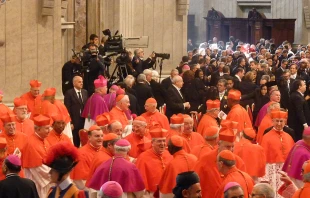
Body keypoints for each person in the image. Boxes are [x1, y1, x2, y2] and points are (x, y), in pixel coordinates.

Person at [194, 127, 246, 198]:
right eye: (227, 146)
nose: (230, 150)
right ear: (218, 144)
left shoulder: (239, 161)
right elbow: (196, 184)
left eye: (232, 146)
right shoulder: (205, 160)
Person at [261, 110, 295, 195]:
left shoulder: (289, 137)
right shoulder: (266, 137)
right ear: (272, 121)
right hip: (272, 170)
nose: (279, 124)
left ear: (285, 122)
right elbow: (263, 159)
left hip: (285, 170)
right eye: (277, 121)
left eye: (281, 121)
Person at [135, 125, 173, 196]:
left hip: (168, 192)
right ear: (152, 143)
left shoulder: (169, 154)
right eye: (159, 141)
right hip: (151, 193)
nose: (162, 144)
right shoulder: (143, 157)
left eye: (164, 141)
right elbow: (140, 179)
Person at [22, 114, 53, 198]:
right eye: (47, 128)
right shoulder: (31, 144)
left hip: (46, 182)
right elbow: (38, 168)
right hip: (37, 182)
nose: (49, 130)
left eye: (49, 127)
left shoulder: (44, 140)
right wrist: (56, 174)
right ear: (38, 129)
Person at [70, 125, 104, 190]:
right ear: (89, 137)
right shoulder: (80, 153)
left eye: (102, 136)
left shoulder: (105, 150)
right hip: (88, 188)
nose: (100, 138)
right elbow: (80, 181)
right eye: (97, 136)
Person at [64, 75, 88, 147]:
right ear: (74, 83)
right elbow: (67, 109)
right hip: (74, 121)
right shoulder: (69, 93)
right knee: (76, 141)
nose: (81, 83)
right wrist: (70, 122)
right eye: (79, 82)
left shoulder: (85, 92)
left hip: (83, 120)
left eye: (82, 82)